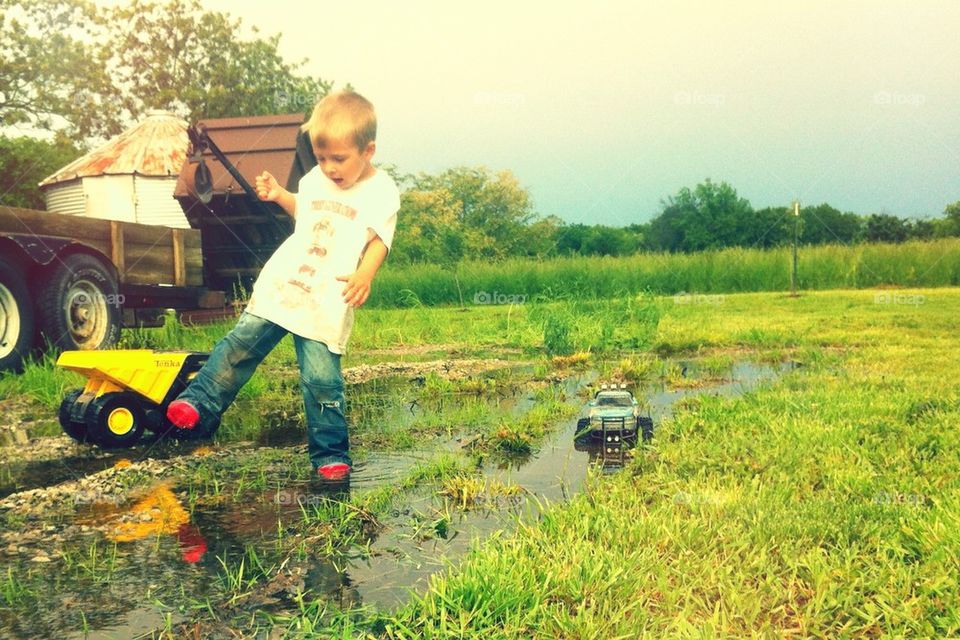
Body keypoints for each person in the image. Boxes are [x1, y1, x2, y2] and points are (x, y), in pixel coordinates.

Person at [165, 90, 400, 481]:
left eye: (339, 159)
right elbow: (306, 212)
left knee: (322, 379)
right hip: (285, 282)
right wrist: (280, 196)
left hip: (327, 296)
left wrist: (365, 274)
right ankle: (199, 402)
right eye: (322, 158)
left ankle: (329, 454)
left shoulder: (381, 191)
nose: (329, 168)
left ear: (368, 150)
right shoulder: (315, 179)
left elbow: (380, 240)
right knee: (241, 343)